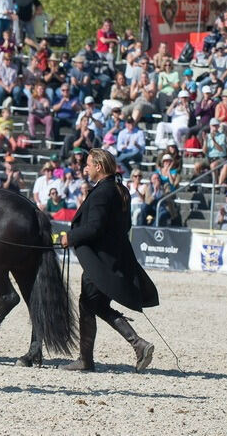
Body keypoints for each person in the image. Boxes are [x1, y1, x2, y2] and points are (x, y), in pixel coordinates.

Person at [60, 148, 159, 373]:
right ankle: (138, 344)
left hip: (100, 261)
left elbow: (94, 227)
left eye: (88, 164)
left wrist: (71, 237)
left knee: (88, 304)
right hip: (112, 257)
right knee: (98, 304)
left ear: (99, 167)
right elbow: (125, 227)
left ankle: (88, 360)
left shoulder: (102, 193)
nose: (85, 168)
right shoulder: (118, 189)